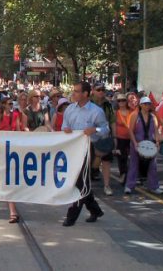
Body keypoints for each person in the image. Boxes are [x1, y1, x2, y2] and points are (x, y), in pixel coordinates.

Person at [61, 82, 108, 227]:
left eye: (76, 91)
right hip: (72, 148)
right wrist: (66, 130)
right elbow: (64, 126)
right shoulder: (69, 109)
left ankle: (72, 215)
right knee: (81, 182)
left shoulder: (96, 111)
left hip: (88, 148)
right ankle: (95, 210)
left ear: (85, 94)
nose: (73, 94)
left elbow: (105, 130)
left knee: (79, 182)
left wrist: (95, 130)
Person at [125, 97, 163, 195]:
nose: (147, 106)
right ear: (141, 105)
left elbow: (156, 131)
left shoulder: (153, 117)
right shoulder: (135, 115)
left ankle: (154, 186)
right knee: (134, 164)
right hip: (137, 143)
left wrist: (158, 142)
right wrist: (134, 143)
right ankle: (129, 186)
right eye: (145, 104)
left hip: (150, 143)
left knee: (153, 166)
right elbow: (130, 130)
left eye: (149, 104)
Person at [91, 83, 116, 195]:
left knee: (106, 161)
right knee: (89, 163)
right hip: (91, 137)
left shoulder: (108, 105)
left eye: (103, 90)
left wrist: (114, 137)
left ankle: (107, 185)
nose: (101, 92)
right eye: (98, 89)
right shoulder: (88, 104)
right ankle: (87, 186)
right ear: (93, 91)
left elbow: (112, 121)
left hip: (105, 136)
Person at [114, 94, 132, 184]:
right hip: (120, 138)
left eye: (123, 100)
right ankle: (123, 174)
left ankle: (131, 174)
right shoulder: (116, 113)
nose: (121, 102)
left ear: (126, 101)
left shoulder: (131, 112)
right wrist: (114, 138)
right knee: (122, 157)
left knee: (132, 157)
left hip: (131, 137)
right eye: (119, 101)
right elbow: (113, 125)